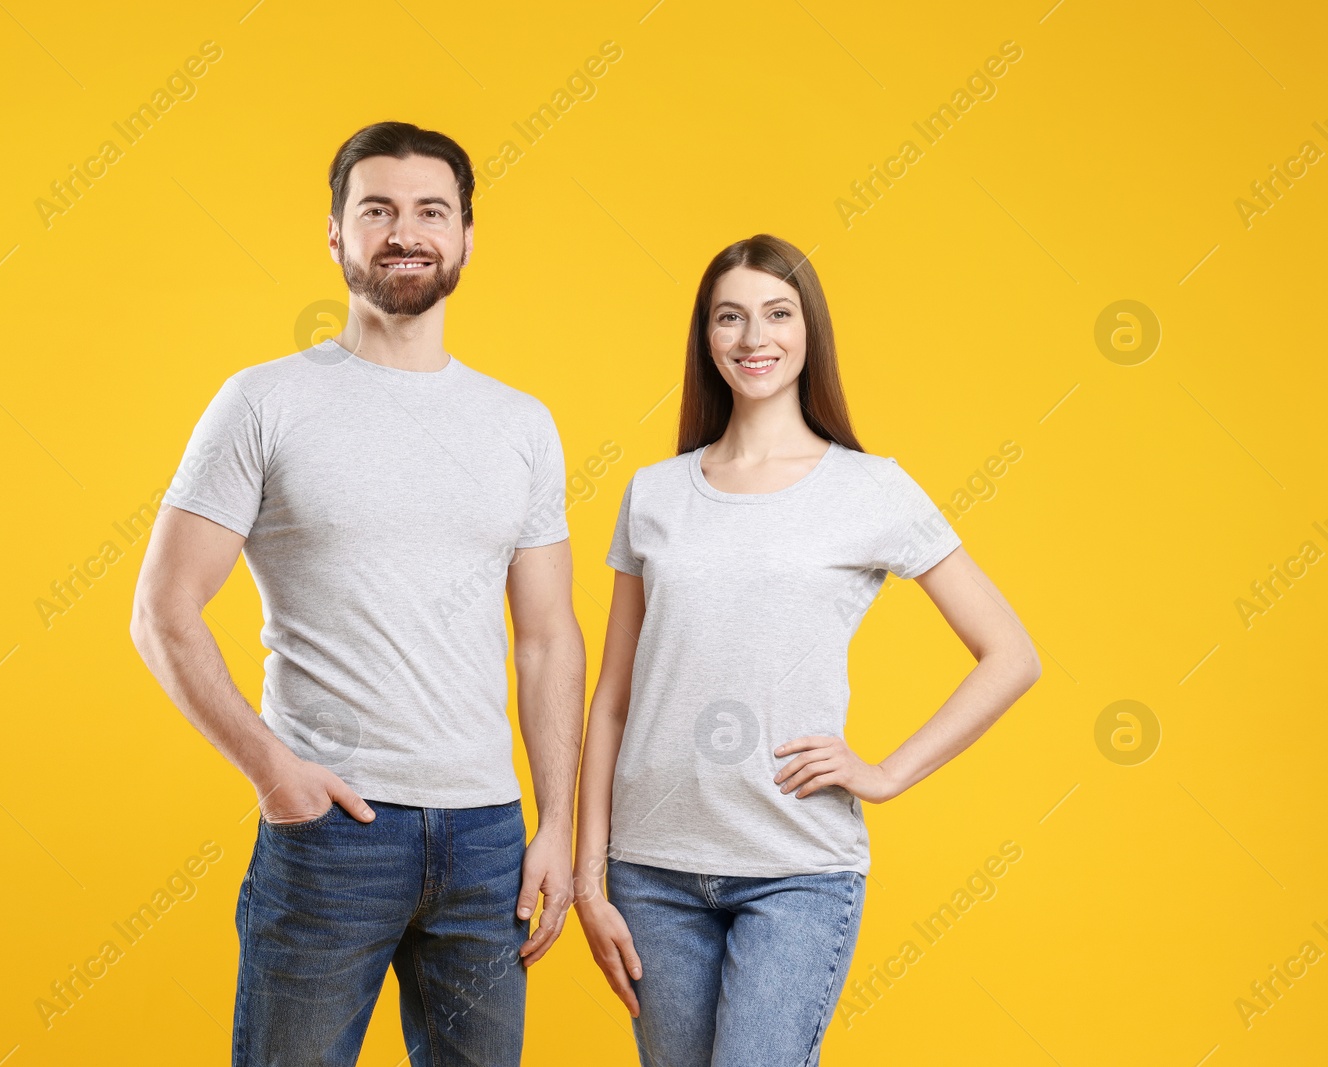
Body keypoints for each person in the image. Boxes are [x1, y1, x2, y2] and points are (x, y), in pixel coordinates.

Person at [129, 121, 585, 1067]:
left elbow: (546, 638)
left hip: (490, 840)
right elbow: (163, 611)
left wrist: (558, 824)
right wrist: (274, 773)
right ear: (335, 235)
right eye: (376, 209)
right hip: (333, 832)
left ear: (465, 237)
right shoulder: (263, 403)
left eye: (431, 211)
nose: (404, 231)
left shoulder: (522, 424)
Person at [572, 233, 1041, 1066]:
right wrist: (588, 875)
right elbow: (612, 698)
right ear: (707, 338)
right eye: (731, 317)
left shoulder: (870, 488)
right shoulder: (654, 492)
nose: (755, 339)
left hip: (796, 870)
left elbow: (1010, 653)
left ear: (808, 329)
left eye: (777, 314)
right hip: (650, 872)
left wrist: (887, 773)